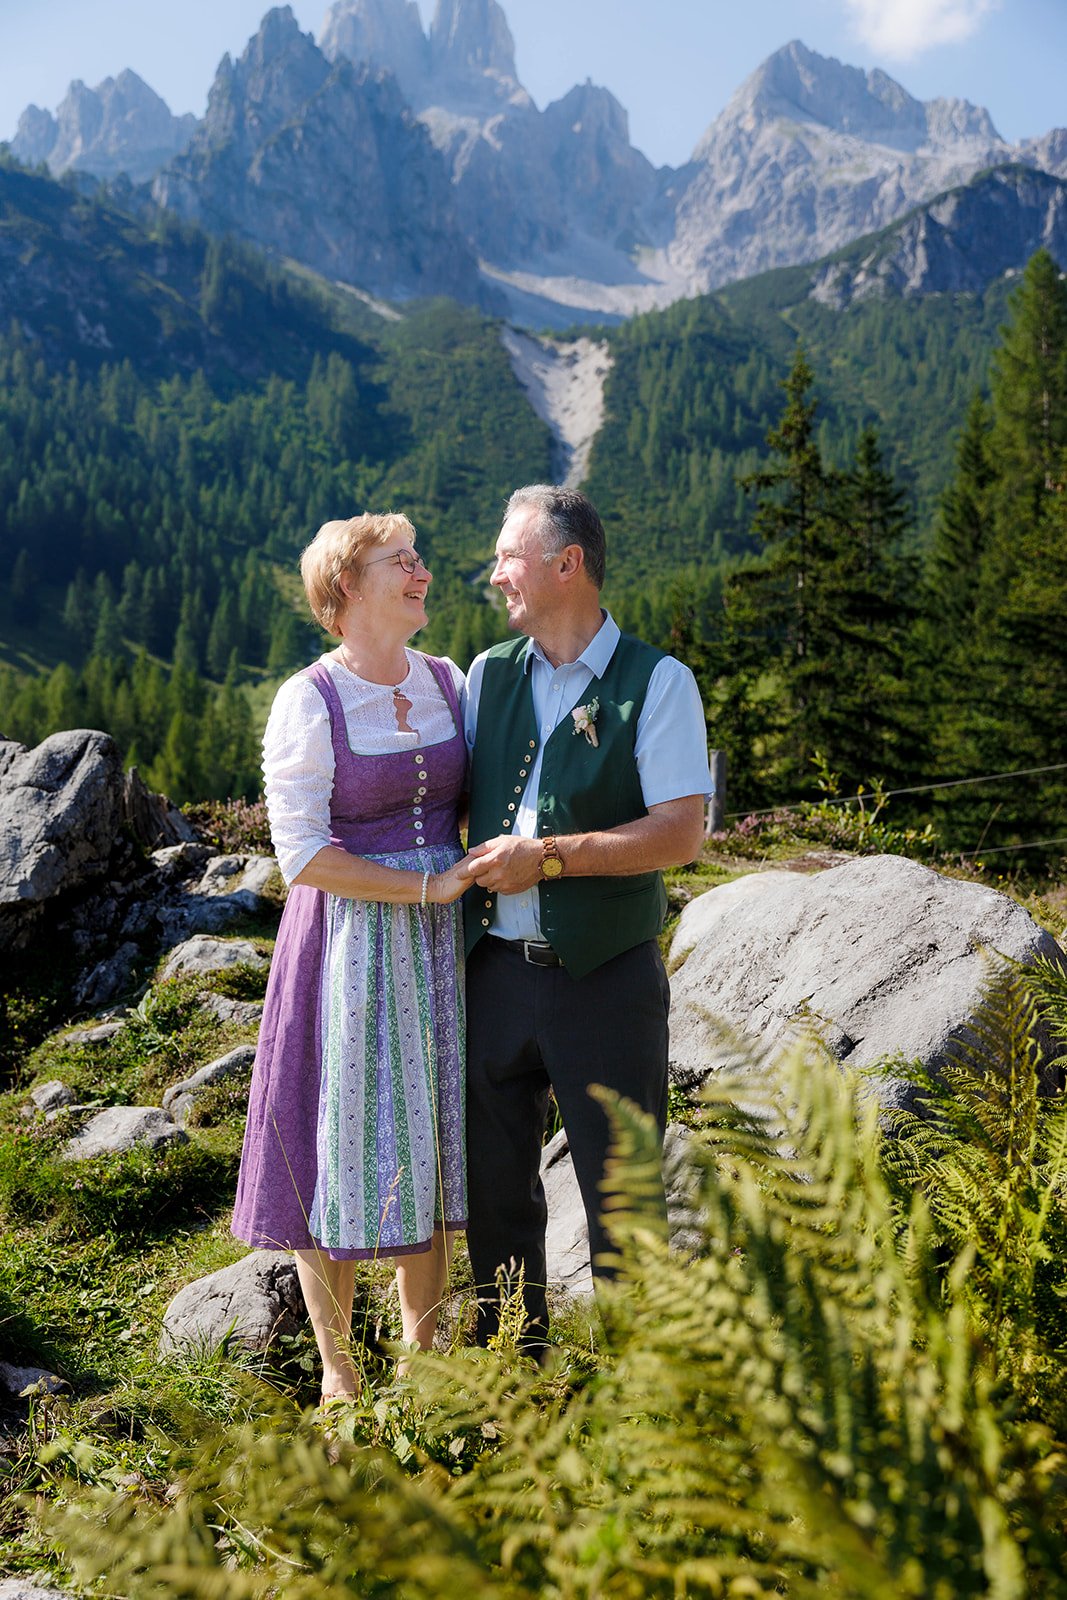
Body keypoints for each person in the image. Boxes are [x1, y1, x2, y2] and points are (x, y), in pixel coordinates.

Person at [461, 485, 712, 1354]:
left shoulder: (658, 682)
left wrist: (552, 857)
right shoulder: (486, 675)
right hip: (490, 972)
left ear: (566, 565)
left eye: (508, 556)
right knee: (494, 1193)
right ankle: (512, 1384)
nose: (495, 575)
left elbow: (681, 831)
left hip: (607, 978)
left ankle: (640, 1402)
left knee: (624, 1196)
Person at [232, 512, 474, 1399]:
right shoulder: (311, 699)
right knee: (333, 1137)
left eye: (418, 556)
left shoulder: (448, 680)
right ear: (345, 590)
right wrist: (424, 889)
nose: (420, 571)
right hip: (346, 944)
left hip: (443, 946)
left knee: (433, 1132)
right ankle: (340, 1374)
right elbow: (301, 856)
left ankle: (429, 1357)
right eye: (398, 561)